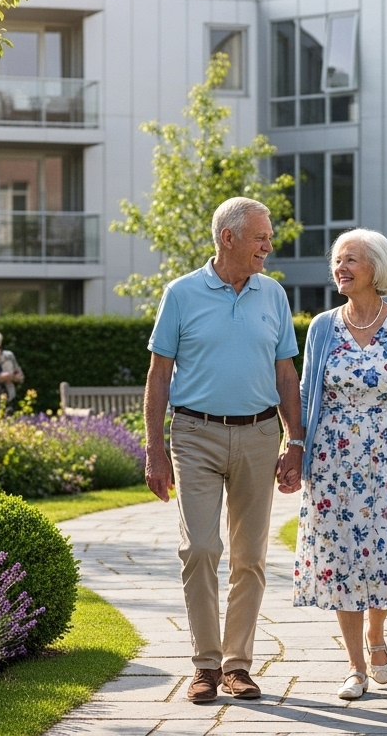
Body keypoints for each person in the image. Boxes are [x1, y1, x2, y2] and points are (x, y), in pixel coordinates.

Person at [143, 197, 305, 704]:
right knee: (201, 549)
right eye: (261, 236)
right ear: (228, 237)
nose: (269, 245)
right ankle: (205, 666)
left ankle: (238, 666)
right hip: (195, 434)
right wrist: (155, 449)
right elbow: (159, 374)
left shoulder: (273, 294)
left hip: (260, 436)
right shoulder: (182, 293)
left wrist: (295, 441)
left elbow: (285, 375)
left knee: (250, 558)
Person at [294, 228, 387, 701]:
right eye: (337, 259)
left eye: (351, 259)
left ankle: (377, 633)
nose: (341, 267)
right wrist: (294, 447)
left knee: (384, 557)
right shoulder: (322, 327)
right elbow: (304, 393)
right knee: (339, 562)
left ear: (376, 267)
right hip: (331, 461)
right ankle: (355, 665)